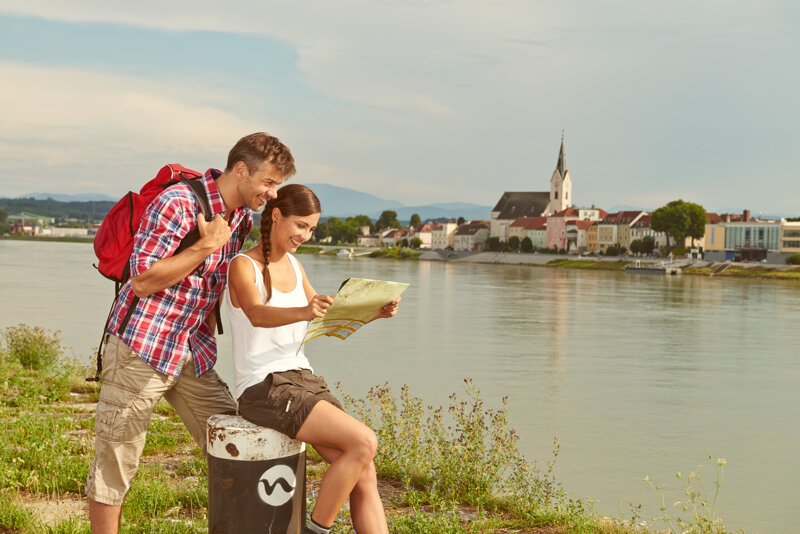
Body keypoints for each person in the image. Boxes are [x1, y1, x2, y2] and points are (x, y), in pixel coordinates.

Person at [85, 132, 296, 533]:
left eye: (276, 185)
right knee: (116, 461)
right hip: (140, 349)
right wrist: (204, 246)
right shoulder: (178, 203)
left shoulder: (241, 218)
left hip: (189, 351)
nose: (271, 193)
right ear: (241, 170)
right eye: (268, 182)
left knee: (235, 443)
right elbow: (143, 281)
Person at [225, 184, 400, 534]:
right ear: (276, 216)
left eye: (312, 229)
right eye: (301, 225)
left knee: (364, 467)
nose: (305, 235)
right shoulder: (242, 265)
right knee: (364, 442)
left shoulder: (293, 264)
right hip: (264, 387)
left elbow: (320, 317)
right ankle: (316, 530)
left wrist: (372, 312)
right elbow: (257, 314)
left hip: (303, 380)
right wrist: (305, 309)